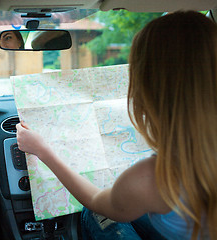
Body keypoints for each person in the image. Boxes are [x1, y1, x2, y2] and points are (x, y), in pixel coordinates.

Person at [16, 11, 217, 239]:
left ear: (147, 91)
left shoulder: (153, 179)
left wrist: (43, 151)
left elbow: (95, 200)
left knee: (94, 213)